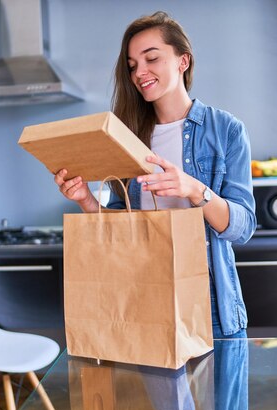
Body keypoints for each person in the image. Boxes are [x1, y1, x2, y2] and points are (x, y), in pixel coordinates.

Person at [54, 11, 256, 339]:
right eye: (133, 65)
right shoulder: (127, 137)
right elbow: (123, 230)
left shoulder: (226, 130)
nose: (140, 72)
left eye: (151, 59)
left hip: (210, 303)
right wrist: (86, 200)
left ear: (182, 61)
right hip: (145, 296)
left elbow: (243, 228)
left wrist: (195, 190)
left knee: (219, 393)